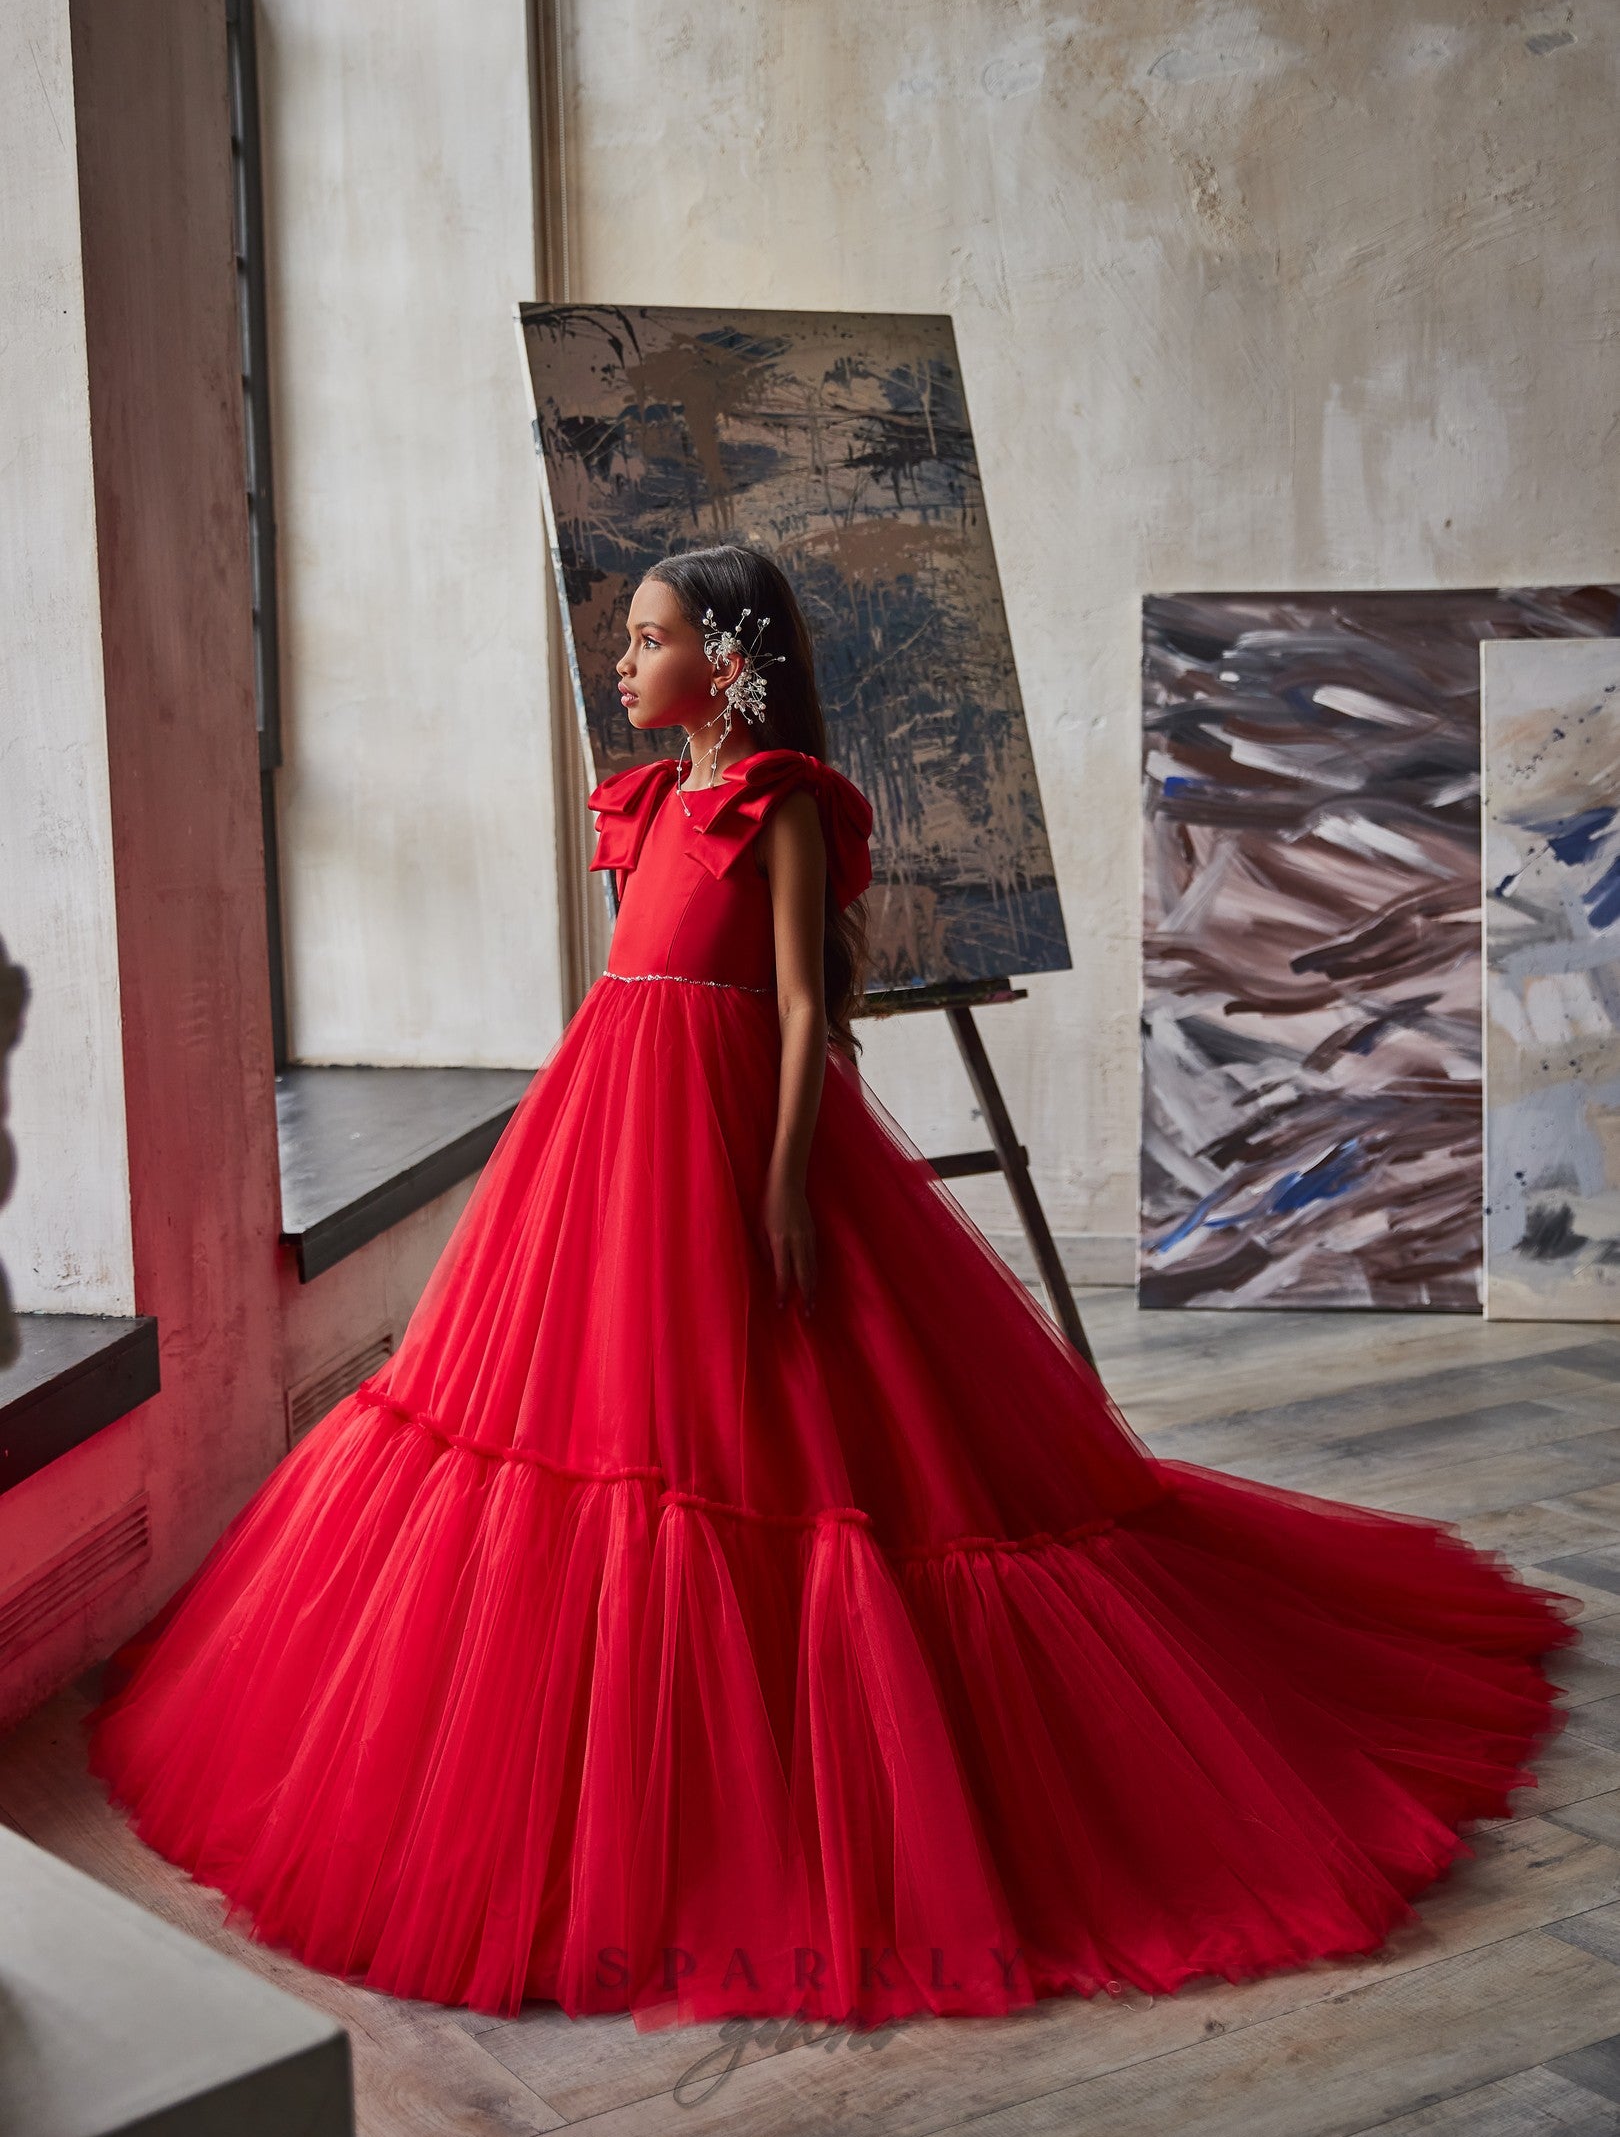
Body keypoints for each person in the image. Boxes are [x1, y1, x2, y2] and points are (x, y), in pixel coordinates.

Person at [86, 543, 1581, 2033]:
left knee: (796, 1429)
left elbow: (806, 1006)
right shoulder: (652, 800)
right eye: (629, 640)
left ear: (724, 661)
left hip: (732, 1128)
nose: (623, 662)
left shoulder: (781, 805)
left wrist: (788, 1177)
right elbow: (642, 973)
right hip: (607, 1133)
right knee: (583, 1418)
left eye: (651, 637)